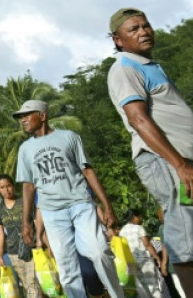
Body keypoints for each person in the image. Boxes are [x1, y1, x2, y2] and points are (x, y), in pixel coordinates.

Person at [106, 8, 193, 297]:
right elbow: (139, 119)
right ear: (118, 40)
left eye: (145, 26)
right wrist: (180, 165)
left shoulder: (150, 65)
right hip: (166, 162)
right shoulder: (125, 68)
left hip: (182, 160)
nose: (144, 31)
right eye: (133, 29)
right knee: (186, 236)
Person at [14, 99, 125, 298]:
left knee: (99, 252)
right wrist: (26, 222)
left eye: (27, 115)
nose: (23, 120)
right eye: (21, 117)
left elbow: (88, 171)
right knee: (67, 268)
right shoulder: (25, 149)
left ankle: (117, 295)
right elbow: (28, 186)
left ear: (43, 115)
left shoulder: (69, 137)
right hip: (51, 212)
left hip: (80, 204)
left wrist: (107, 206)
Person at [0, 174, 41, 298]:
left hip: (32, 248)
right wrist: (0, 255)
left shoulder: (25, 202)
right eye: (2, 187)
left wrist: (40, 240)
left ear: (13, 186)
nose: (6, 190)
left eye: (8, 186)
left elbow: (36, 222)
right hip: (14, 252)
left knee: (32, 283)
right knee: (27, 284)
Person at [119, 208, 165, 298]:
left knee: (142, 287)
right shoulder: (138, 228)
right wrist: (156, 257)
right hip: (144, 260)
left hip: (131, 262)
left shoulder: (122, 231)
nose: (140, 219)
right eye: (139, 217)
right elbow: (147, 244)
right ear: (134, 217)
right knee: (153, 285)